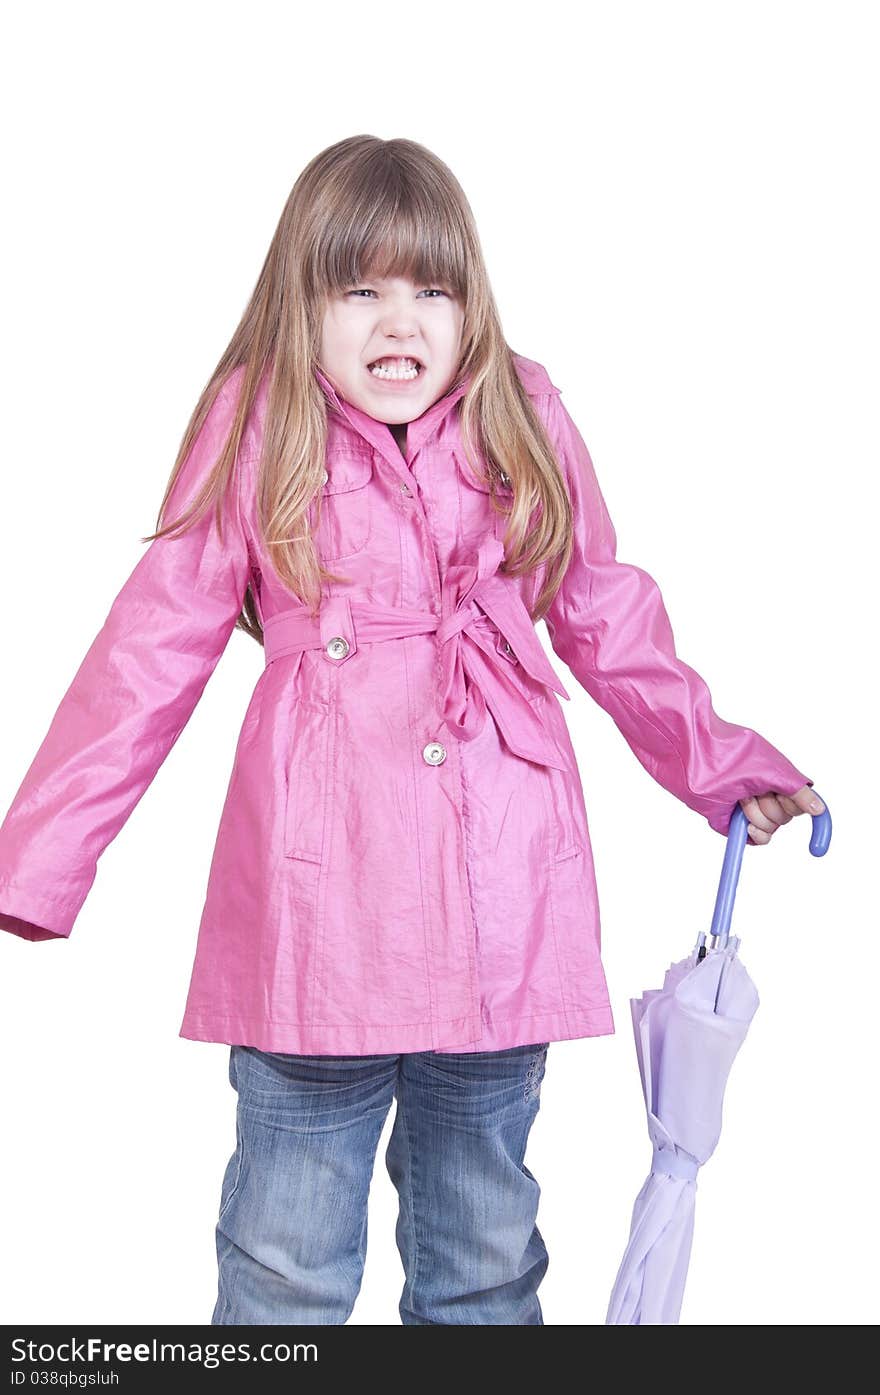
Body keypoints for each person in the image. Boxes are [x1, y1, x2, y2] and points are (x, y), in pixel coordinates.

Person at [0, 135, 822, 1326]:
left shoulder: (518, 408)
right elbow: (151, 645)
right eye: (361, 289)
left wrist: (721, 765)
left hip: (503, 896)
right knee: (283, 1255)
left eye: (432, 288)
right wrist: (38, 860)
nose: (402, 320)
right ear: (304, 304)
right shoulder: (258, 420)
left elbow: (598, 605)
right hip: (316, 912)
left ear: (470, 300)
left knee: (485, 1249)